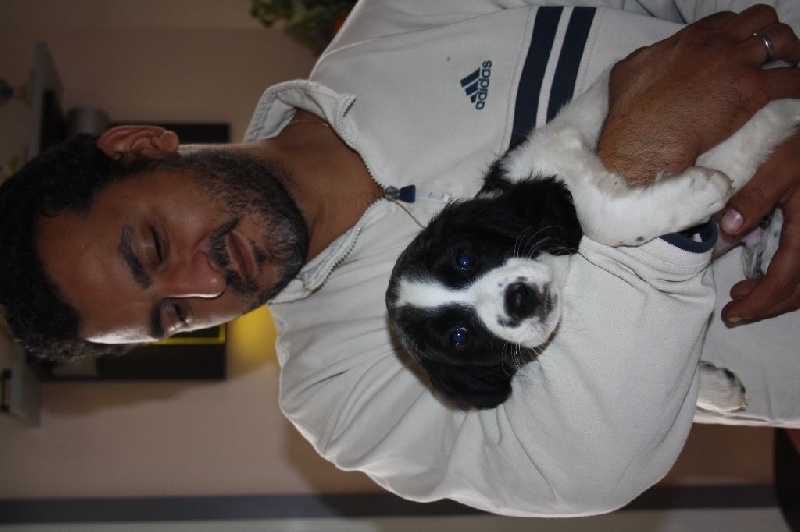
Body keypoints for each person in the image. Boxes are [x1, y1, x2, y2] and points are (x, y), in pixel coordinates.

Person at [1, 0, 799, 517]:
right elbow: (584, 470)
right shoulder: (339, 397)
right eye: (174, 315)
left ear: (141, 147)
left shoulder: (409, 16)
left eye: (151, 247)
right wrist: (639, 165)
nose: (208, 283)